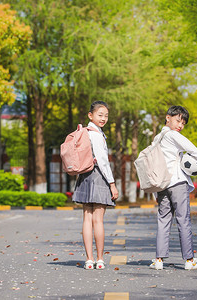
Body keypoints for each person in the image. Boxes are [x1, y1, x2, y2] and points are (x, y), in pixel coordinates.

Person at [149, 105, 197, 270]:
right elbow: (193, 150)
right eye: (178, 120)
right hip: (177, 183)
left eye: (183, 123)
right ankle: (189, 260)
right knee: (183, 220)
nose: (180, 125)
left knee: (163, 220)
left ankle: (159, 260)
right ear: (168, 118)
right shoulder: (173, 135)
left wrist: (153, 189)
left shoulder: (157, 138)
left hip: (161, 185)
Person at [72, 101, 119, 270]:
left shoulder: (84, 132)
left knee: (87, 218)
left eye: (106, 115)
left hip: (84, 176)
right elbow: (103, 162)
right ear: (90, 115)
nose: (104, 118)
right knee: (98, 220)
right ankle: (99, 259)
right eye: (100, 115)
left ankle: (88, 259)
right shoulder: (97, 135)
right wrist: (112, 184)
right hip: (98, 176)